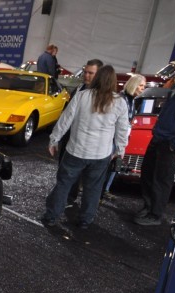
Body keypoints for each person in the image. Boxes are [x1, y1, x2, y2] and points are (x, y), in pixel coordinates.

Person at [41, 65, 131, 229]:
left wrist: (54, 140)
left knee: (64, 184)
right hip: (100, 155)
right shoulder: (120, 103)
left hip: (76, 150)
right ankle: (85, 220)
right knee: (93, 188)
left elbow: (65, 120)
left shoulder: (82, 96)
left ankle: (51, 217)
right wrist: (120, 150)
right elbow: (122, 130)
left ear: (96, 78)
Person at [133, 87, 175, 226]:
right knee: (147, 173)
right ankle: (148, 207)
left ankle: (155, 215)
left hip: (169, 144)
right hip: (159, 138)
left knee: (162, 180)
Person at [65, 58, 105, 206]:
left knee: (89, 180)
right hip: (71, 138)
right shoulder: (79, 89)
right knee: (67, 174)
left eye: (91, 73)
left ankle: (86, 212)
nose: (86, 75)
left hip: (91, 145)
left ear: (99, 75)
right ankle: (69, 198)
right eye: (85, 72)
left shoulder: (105, 95)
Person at [102, 74, 147, 197]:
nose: (143, 88)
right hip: (113, 137)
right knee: (107, 164)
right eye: (141, 85)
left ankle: (104, 190)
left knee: (114, 165)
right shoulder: (122, 99)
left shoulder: (131, 99)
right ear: (134, 85)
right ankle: (99, 191)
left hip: (120, 137)